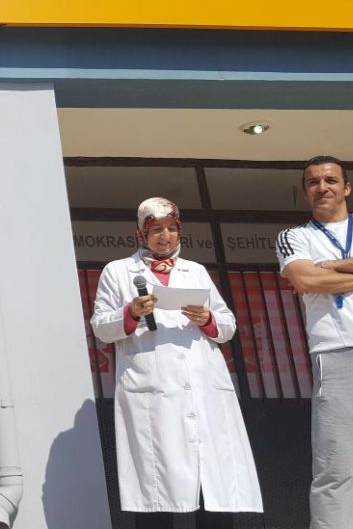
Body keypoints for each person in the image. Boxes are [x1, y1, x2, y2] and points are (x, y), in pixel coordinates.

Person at [91, 197, 262, 529]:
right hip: (153, 392)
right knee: (157, 489)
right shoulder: (118, 271)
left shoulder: (195, 271)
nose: (165, 236)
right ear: (141, 233)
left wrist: (207, 318)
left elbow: (227, 326)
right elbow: (101, 326)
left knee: (212, 485)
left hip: (202, 388)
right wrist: (132, 312)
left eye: (171, 228)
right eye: (156, 229)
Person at [275, 156, 353, 529]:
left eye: (330, 180)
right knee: (335, 471)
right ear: (306, 192)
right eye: (313, 182)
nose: (322, 187)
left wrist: (332, 265)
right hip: (336, 357)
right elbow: (307, 281)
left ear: (346, 187)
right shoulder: (294, 236)